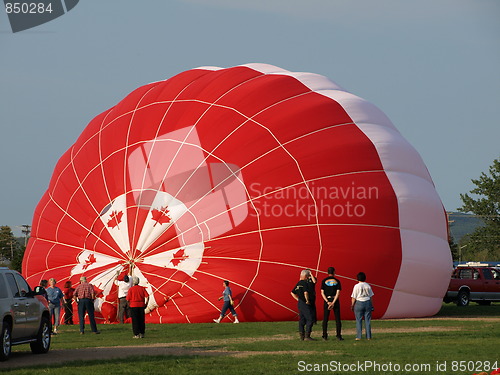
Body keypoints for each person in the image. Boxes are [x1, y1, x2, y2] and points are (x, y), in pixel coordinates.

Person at [320, 267, 343, 341]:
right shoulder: (337, 281)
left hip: (327, 299)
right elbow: (338, 293)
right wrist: (333, 302)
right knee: (337, 319)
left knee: (325, 319)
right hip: (335, 300)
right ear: (334, 272)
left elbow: (322, 293)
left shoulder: (324, 281)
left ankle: (324, 335)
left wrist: (327, 301)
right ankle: (338, 335)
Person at [291, 270, 314, 341]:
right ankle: (307, 336)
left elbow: (292, 292)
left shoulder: (298, 283)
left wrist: (298, 299)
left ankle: (302, 336)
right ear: (306, 276)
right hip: (304, 303)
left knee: (302, 319)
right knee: (310, 319)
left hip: (300, 303)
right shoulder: (305, 283)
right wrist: (307, 300)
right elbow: (306, 292)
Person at [351, 272, 374, 340]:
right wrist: (372, 305)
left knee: (359, 320)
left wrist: (352, 305)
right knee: (367, 320)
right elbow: (371, 296)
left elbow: (353, 297)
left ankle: (359, 336)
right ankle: (368, 336)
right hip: (367, 302)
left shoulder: (356, 286)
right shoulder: (368, 286)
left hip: (359, 302)